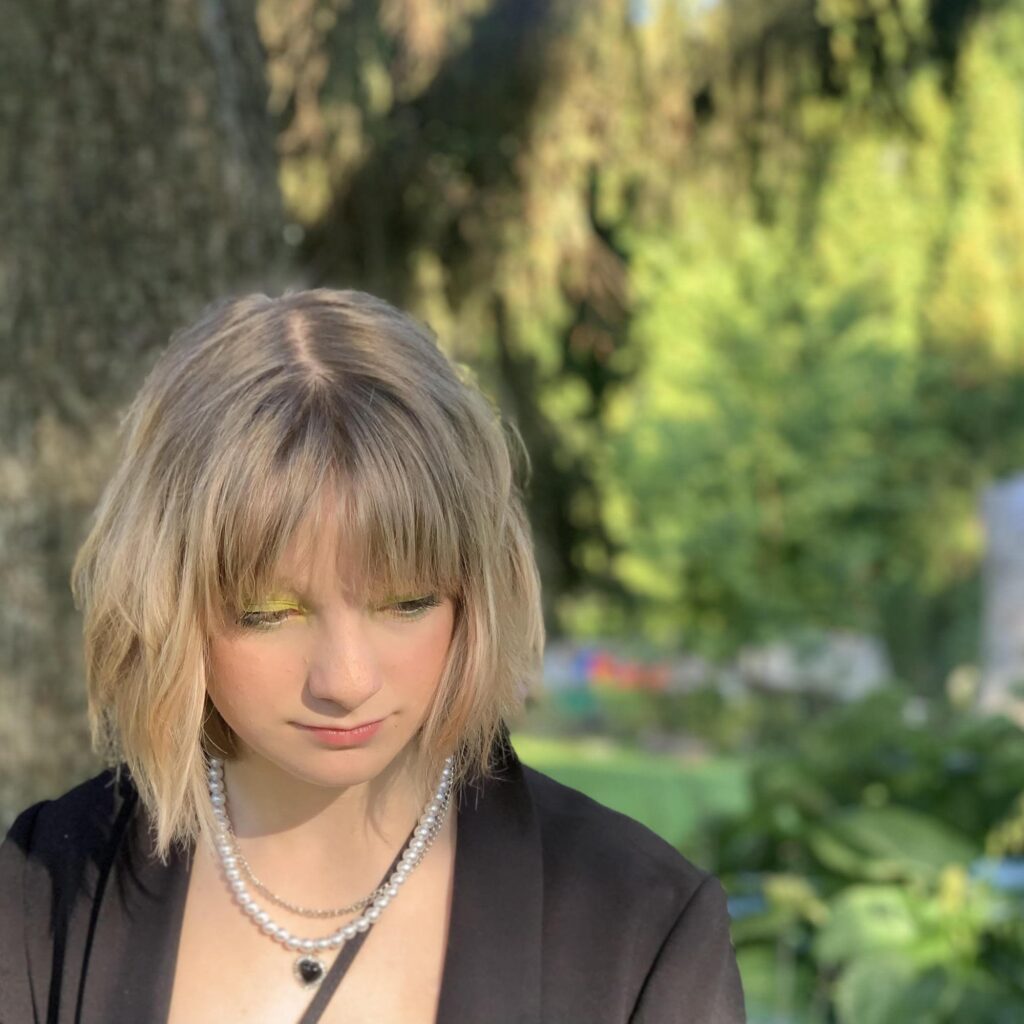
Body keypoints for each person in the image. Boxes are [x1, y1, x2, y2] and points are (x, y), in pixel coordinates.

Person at [0, 288, 746, 1024]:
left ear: (477, 591)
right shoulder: (40, 891)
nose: (346, 680)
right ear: (165, 599)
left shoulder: (642, 930)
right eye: (270, 613)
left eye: (406, 602)